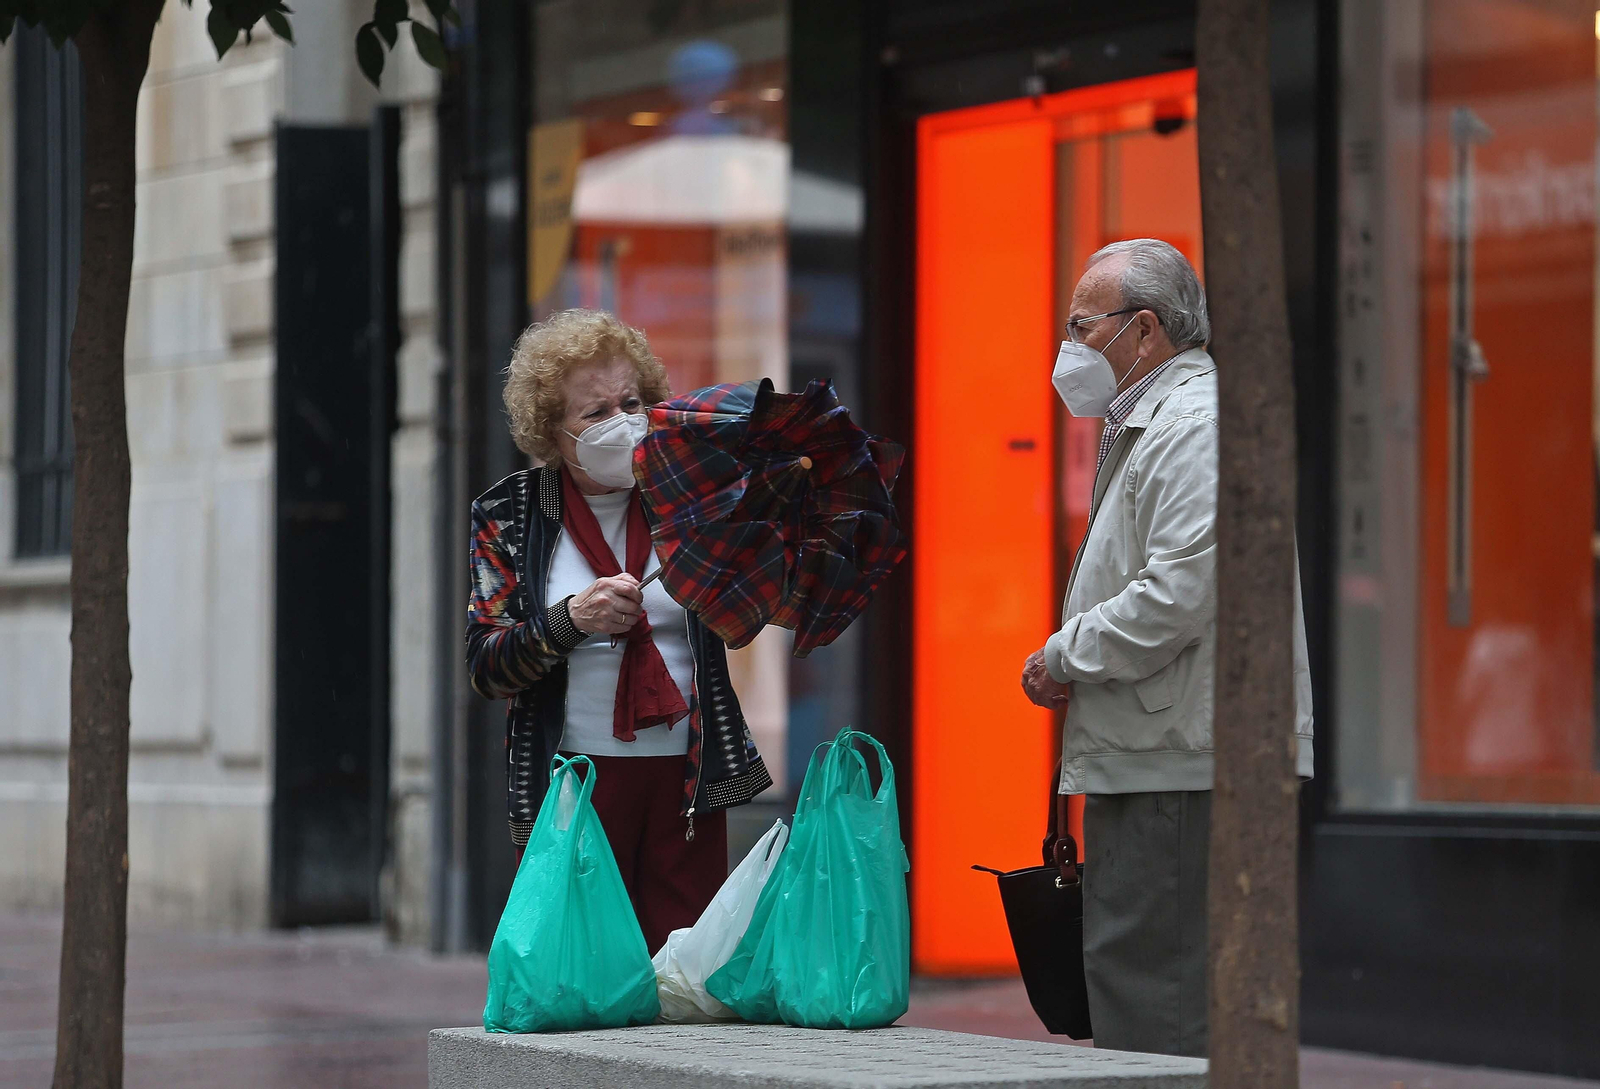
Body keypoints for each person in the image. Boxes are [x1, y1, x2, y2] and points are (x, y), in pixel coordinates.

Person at [1021, 239, 1314, 1057]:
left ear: (1143, 330)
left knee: (1159, 1008)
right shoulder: (1160, 422)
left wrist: (1064, 652)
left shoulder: (1194, 423)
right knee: (1147, 992)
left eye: (1081, 325)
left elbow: (1181, 591)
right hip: (1166, 750)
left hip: (1180, 761)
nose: (1068, 346)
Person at [466, 308, 772, 954]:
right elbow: (486, 665)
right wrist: (568, 621)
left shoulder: (687, 498)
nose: (620, 423)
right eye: (594, 412)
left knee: (682, 966)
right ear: (553, 430)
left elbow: (741, 620)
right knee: (582, 963)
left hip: (687, 777)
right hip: (576, 775)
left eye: (630, 402)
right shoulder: (508, 513)